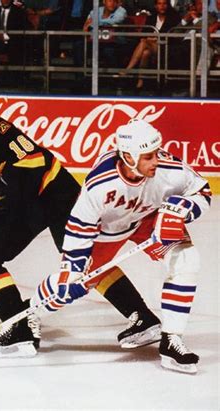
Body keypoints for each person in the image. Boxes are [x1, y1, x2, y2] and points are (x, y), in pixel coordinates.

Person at [0, 110, 162, 358]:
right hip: (20, 209)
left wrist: (0, 188)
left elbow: (34, 162)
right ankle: (19, 329)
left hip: (55, 192)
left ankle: (144, 318)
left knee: (84, 260)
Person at [32, 119, 211, 374]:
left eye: (156, 153)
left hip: (148, 219)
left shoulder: (169, 169)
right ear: (128, 156)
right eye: (148, 156)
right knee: (74, 283)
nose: (156, 161)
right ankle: (30, 314)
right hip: (109, 230)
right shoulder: (100, 183)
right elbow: (79, 226)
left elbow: (202, 191)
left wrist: (182, 211)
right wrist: (71, 269)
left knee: (186, 259)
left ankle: (171, 340)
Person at [120, 0, 181, 91]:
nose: (162, 6)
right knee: (145, 53)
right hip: (150, 45)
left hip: (164, 47)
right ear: (156, 6)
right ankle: (141, 82)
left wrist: (155, 38)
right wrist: (150, 38)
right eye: (159, 4)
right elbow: (144, 33)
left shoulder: (173, 18)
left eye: (164, 4)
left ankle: (128, 69)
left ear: (167, 5)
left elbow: (171, 35)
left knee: (144, 43)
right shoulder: (151, 18)